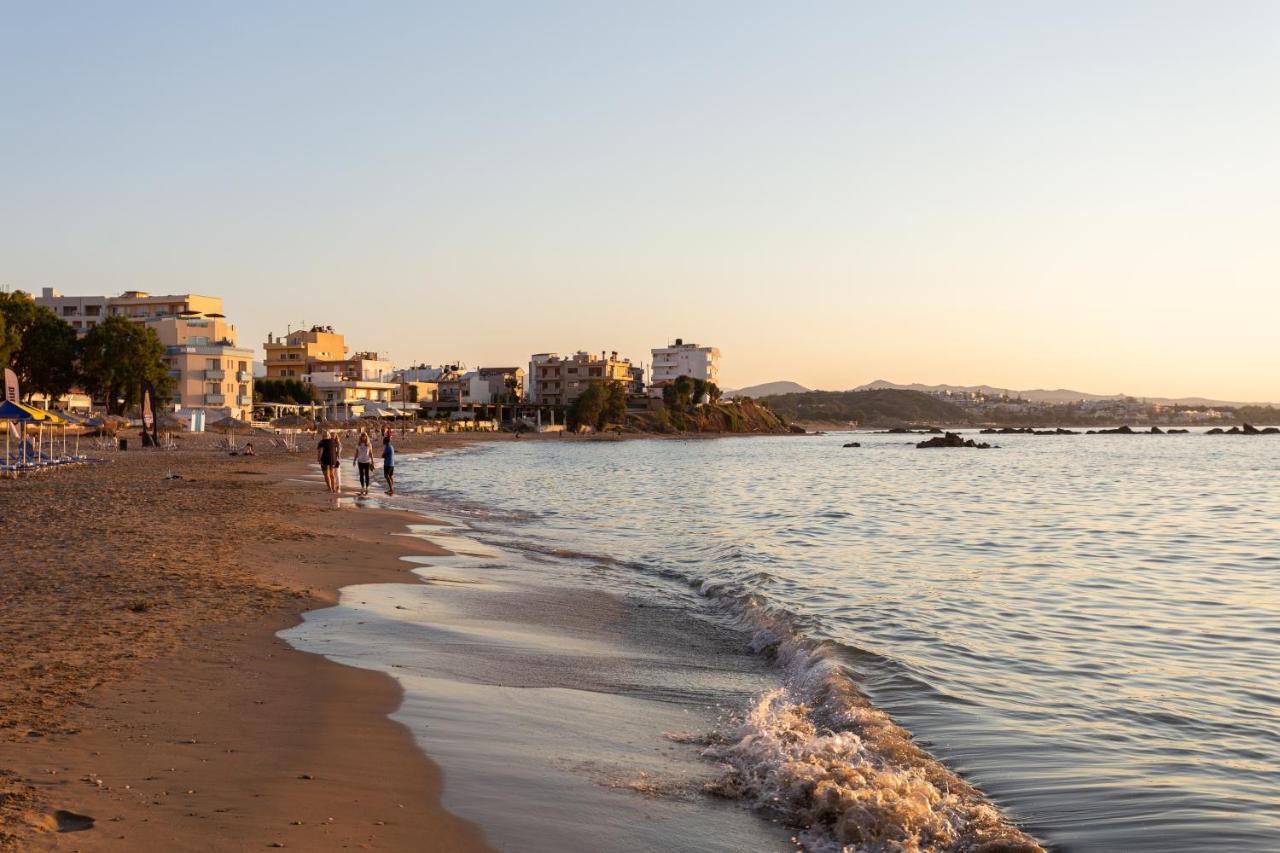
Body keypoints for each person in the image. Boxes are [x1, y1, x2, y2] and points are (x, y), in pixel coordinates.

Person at [354, 430, 374, 496]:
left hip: (367, 461)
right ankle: (362, 486)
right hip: (360, 461)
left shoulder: (369, 444)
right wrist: (354, 460)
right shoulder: (358, 444)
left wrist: (373, 461)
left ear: (366, 437)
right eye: (362, 436)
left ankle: (367, 487)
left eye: (364, 436)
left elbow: (371, 453)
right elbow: (356, 453)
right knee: (361, 475)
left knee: (367, 475)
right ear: (361, 437)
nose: (363, 437)